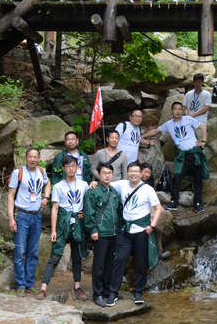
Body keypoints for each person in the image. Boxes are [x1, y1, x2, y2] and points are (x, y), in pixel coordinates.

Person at [107, 161, 162, 306]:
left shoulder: (147, 189)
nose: (133, 174)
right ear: (127, 172)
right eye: (131, 171)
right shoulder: (122, 184)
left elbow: (158, 208)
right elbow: (106, 184)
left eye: (136, 171)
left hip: (141, 232)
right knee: (120, 259)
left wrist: (152, 226)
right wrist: (94, 183)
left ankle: (138, 292)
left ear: (141, 173)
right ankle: (113, 292)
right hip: (126, 231)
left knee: (142, 262)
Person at [35, 155, 89, 301]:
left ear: (77, 167)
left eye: (73, 165)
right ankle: (43, 288)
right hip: (63, 225)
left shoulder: (84, 185)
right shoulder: (58, 186)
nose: (71, 168)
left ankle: (77, 286)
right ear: (63, 168)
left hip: (78, 225)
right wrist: (53, 230)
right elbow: (54, 209)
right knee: (55, 256)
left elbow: (89, 203)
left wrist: (85, 213)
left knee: (77, 258)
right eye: (68, 166)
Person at [141, 102, 209, 213]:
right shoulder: (168, 124)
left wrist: (203, 142)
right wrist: (141, 137)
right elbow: (155, 131)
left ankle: (197, 203)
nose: (177, 111)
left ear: (182, 110)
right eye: (175, 109)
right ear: (172, 111)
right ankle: (174, 202)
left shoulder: (188, 119)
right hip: (182, 156)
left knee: (198, 180)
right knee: (177, 178)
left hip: (195, 154)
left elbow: (203, 127)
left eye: (179, 109)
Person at [7, 148, 51, 296]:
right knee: (20, 251)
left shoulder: (41, 171)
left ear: (38, 159)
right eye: (30, 157)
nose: (32, 159)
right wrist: (11, 218)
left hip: (36, 216)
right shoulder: (18, 173)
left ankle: (29, 283)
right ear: (26, 158)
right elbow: (10, 196)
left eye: (35, 157)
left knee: (33, 251)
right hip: (22, 215)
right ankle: (20, 284)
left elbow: (47, 183)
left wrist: (46, 197)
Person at [84, 163, 123, 308]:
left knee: (109, 265)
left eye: (109, 173)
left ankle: (107, 291)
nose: (107, 175)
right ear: (98, 175)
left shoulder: (113, 191)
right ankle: (97, 294)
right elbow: (89, 212)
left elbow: (119, 211)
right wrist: (93, 230)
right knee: (99, 266)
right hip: (100, 234)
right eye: (104, 173)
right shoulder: (93, 191)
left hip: (113, 233)